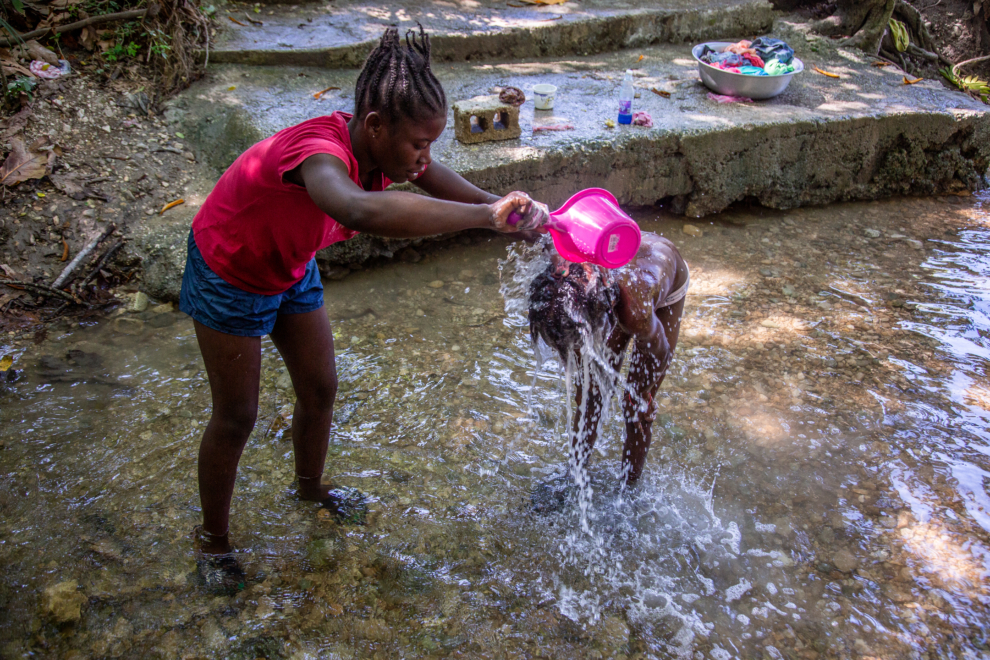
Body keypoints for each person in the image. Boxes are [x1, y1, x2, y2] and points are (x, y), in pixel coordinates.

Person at [179, 24, 548, 560]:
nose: (424, 158)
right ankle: (213, 543)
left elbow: (430, 175)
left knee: (321, 387)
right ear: (374, 126)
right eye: (419, 144)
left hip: (290, 264)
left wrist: (502, 206)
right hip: (229, 268)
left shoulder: (381, 149)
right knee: (238, 416)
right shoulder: (320, 155)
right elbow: (357, 210)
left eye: (430, 144)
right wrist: (482, 218)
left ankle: (308, 489)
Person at [528, 232, 688, 487]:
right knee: (590, 395)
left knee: (636, 408)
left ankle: (630, 489)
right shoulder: (561, 269)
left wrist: (645, 392)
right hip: (615, 264)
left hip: (656, 280)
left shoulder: (636, 311)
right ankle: (575, 478)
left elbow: (662, 352)